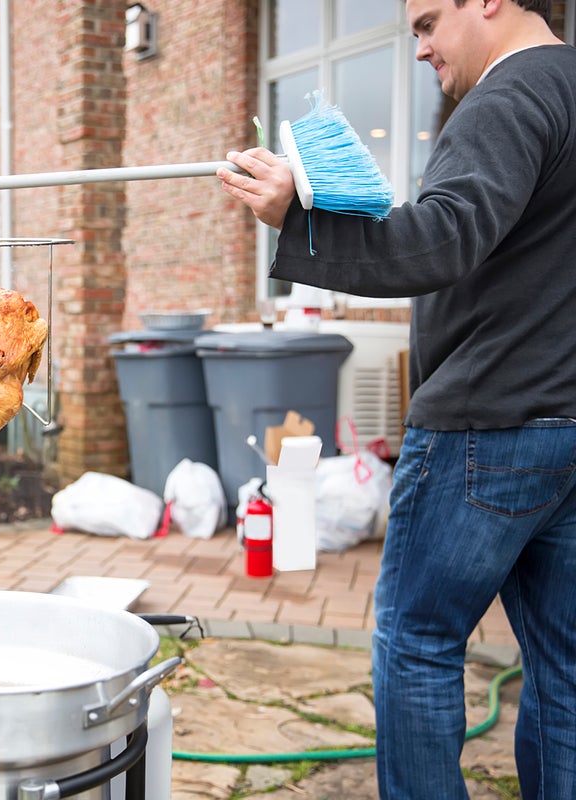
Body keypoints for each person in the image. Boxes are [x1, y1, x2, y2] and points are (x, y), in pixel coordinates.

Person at [218, 1, 574, 797]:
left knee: (418, 643)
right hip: (570, 433)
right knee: (564, 668)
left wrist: (298, 221)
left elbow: (444, 236)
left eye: (427, 22)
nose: (418, 48)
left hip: (488, 430)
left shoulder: (508, 97)